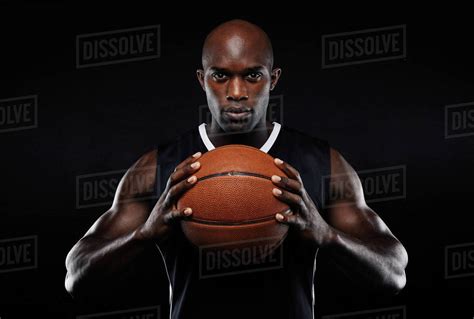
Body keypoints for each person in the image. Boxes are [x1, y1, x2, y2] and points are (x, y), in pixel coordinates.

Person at [65, 19, 408, 319]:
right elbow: (76, 276)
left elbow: (394, 274)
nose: (237, 92)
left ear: (273, 79)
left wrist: (327, 235)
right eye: (221, 76)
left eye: (252, 75)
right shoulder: (160, 167)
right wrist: (144, 234)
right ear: (202, 79)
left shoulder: (322, 163)